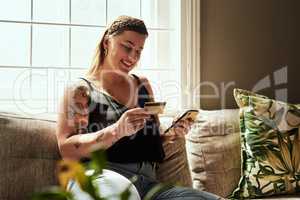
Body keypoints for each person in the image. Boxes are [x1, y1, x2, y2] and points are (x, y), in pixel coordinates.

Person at [56, 15, 222, 200]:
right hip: (103, 177)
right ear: (106, 43)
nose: (132, 57)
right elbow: (67, 147)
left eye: (138, 51)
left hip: (149, 185)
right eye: (126, 47)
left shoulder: (142, 85)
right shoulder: (81, 89)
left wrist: (171, 134)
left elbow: (151, 140)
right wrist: (117, 130)